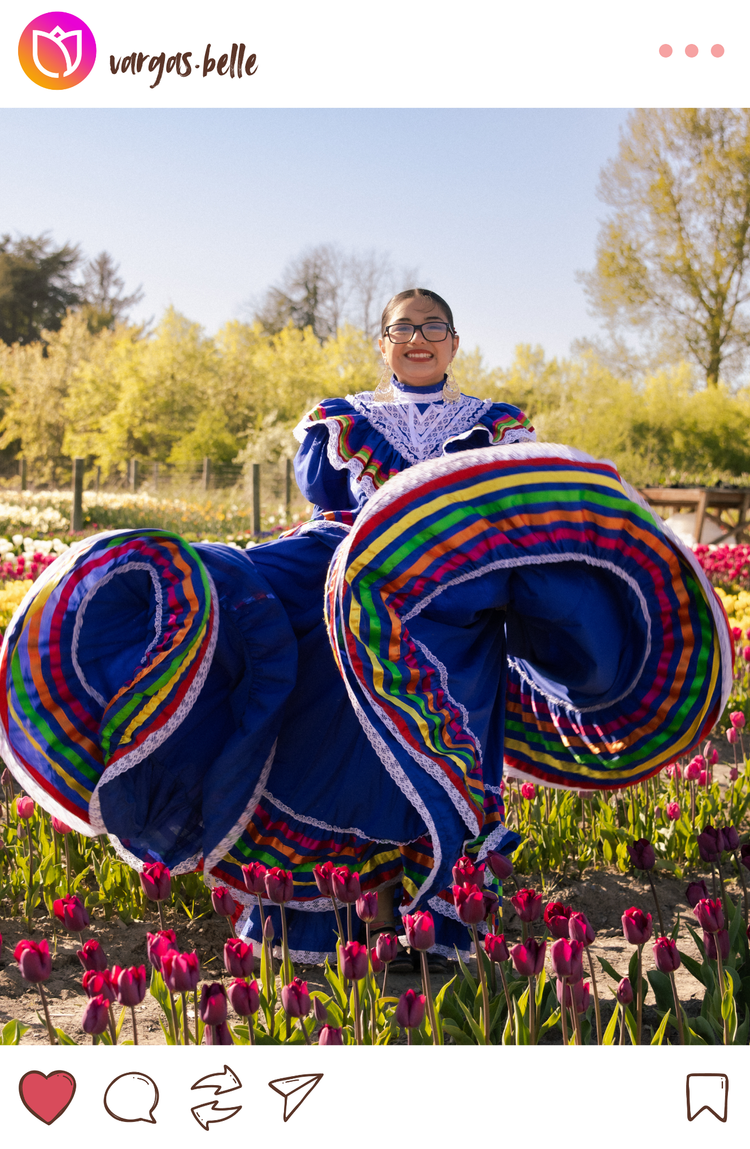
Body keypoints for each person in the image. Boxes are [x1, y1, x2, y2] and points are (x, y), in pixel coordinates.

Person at [0, 289, 732, 967]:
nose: (419, 339)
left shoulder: (498, 424)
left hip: (451, 619)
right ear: (382, 345)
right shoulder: (342, 421)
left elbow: (521, 526)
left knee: (429, 763)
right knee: (341, 762)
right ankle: (352, 914)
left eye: (432, 328)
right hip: (345, 601)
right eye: (403, 329)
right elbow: (329, 511)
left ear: (453, 343)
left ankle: (424, 919)